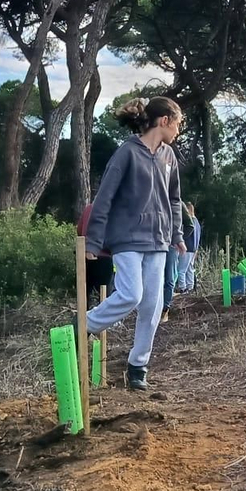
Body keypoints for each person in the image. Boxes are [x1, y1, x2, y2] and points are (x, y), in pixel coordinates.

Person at [84, 96, 185, 391]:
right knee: (131, 295)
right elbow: (104, 198)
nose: (178, 130)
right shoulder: (126, 153)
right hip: (127, 238)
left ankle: (137, 366)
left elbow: (174, 199)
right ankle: (85, 325)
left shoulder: (169, 156)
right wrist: (93, 241)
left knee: (152, 307)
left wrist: (177, 235)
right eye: (177, 123)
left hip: (159, 241)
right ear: (164, 120)